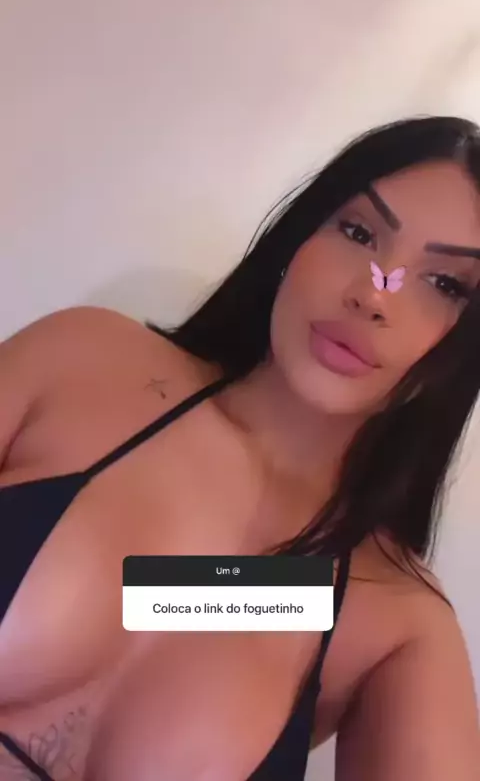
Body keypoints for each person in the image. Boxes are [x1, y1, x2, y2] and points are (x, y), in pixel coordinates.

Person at [0, 116, 479, 781]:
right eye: (359, 232)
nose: (374, 294)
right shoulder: (85, 362)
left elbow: (166, 594)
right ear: (300, 235)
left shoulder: (395, 626)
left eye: (446, 284)